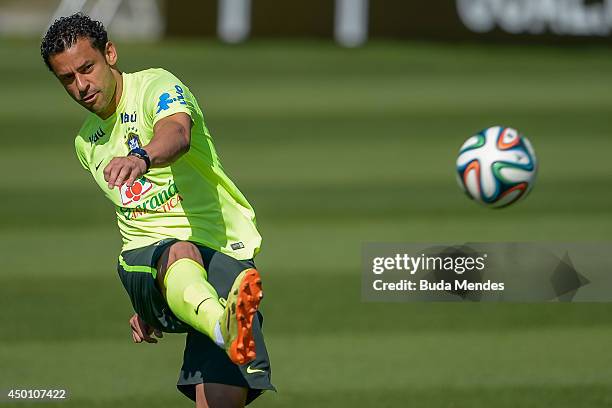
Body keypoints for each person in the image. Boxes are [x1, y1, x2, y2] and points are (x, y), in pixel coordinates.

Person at [40, 13, 274, 407]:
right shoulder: (88, 143)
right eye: (67, 78)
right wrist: (149, 296)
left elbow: (178, 134)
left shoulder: (156, 86)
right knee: (178, 252)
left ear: (110, 53)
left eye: (86, 69)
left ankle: (219, 321)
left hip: (222, 253)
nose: (81, 86)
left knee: (218, 400)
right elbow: (130, 219)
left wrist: (142, 156)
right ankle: (223, 325)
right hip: (148, 257)